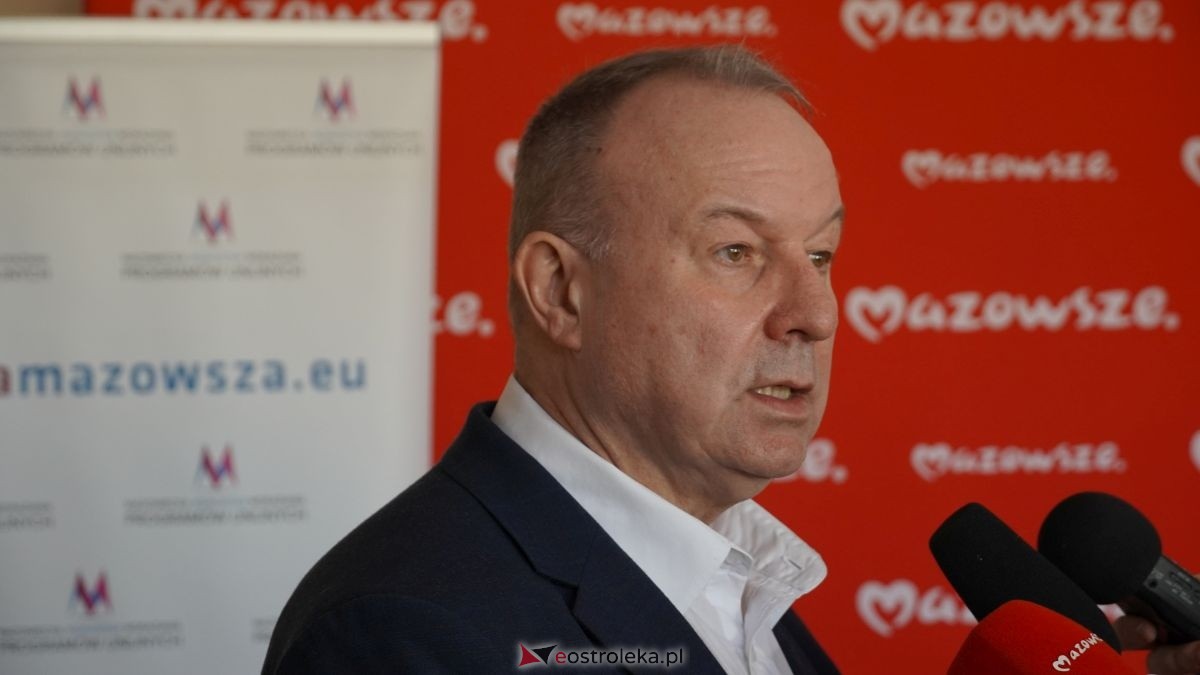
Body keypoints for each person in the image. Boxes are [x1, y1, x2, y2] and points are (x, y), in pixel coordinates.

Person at [262, 45, 1200, 675]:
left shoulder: (737, 573)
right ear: (560, 291)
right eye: (736, 252)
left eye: (821, 254)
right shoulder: (401, 630)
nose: (816, 313)